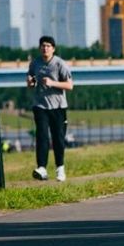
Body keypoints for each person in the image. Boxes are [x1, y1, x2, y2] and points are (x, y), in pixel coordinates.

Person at [27, 36, 74, 182]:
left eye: (48, 46)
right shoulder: (35, 63)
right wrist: (30, 82)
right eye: (42, 46)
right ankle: (42, 167)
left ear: (53, 48)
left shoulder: (60, 64)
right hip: (40, 105)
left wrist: (53, 83)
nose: (45, 48)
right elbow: (31, 81)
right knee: (41, 136)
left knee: (58, 139)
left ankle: (60, 168)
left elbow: (70, 85)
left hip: (58, 107)